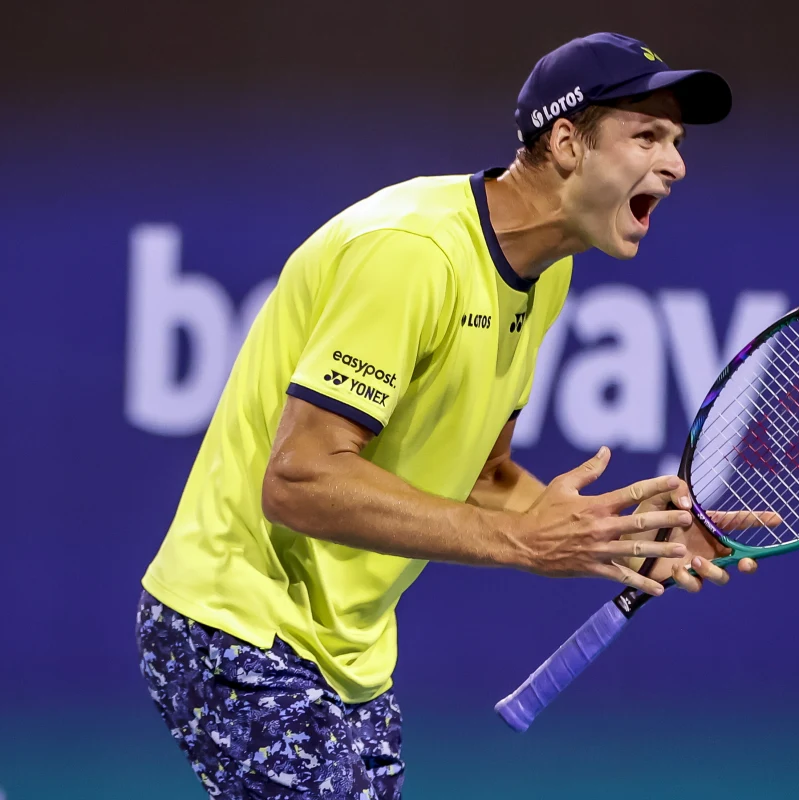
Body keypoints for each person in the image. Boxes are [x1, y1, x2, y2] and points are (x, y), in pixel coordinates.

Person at [136, 32, 758, 799]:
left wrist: (623, 537)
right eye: (648, 136)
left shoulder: (546, 278)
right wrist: (522, 542)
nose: (676, 163)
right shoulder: (413, 253)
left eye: (678, 142)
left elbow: (483, 475)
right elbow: (297, 480)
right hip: (236, 621)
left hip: (350, 652)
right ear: (567, 142)